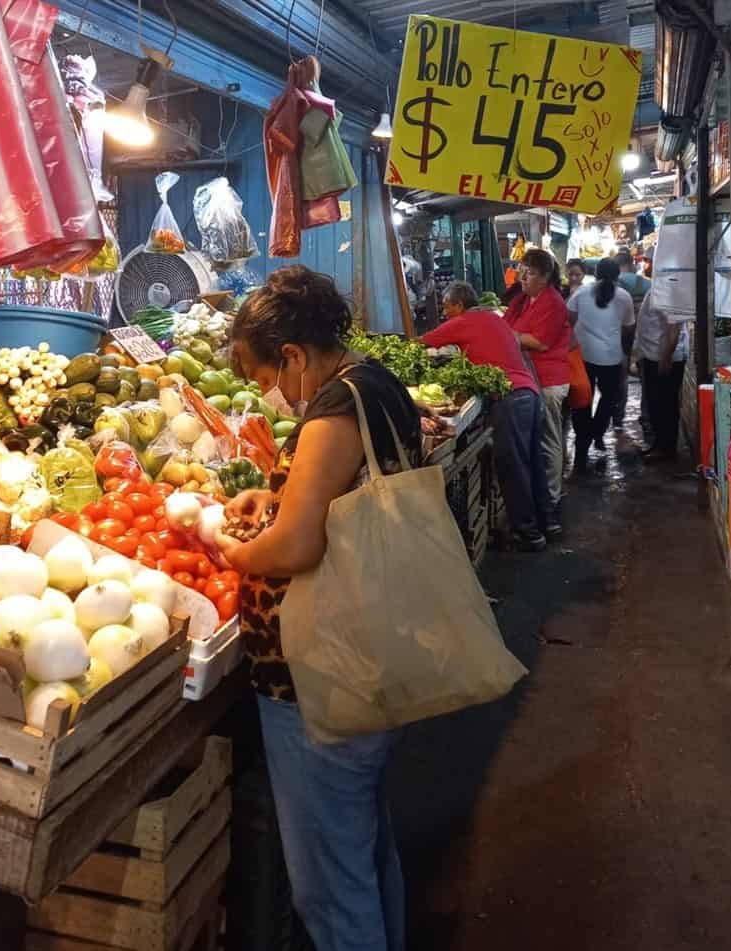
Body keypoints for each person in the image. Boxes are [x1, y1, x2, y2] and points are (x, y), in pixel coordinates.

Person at [215, 266, 420, 951]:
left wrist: (231, 550)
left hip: (320, 674)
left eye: (260, 373)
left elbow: (300, 547)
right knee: (362, 848)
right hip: (370, 651)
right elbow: (341, 503)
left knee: (329, 885)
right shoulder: (374, 384)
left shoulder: (332, 409)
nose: (261, 391)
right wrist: (273, 500)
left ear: (294, 356)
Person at [421, 280, 553, 551]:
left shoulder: (464, 321)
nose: (445, 313)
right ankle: (548, 522)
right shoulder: (495, 319)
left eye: (446, 307)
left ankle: (528, 535)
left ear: (458, 305)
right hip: (530, 393)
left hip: (510, 397)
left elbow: (423, 342)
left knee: (513, 465)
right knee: (533, 462)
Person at [505, 249, 570, 533]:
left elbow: (541, 342)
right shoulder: (524, 300)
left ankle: (552, 499)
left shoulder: (553, 302)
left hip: (549, 380)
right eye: (522, 270)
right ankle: (543, 496)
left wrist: (512, 336)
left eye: (530, 273)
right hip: (529, 379)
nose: (523, 277)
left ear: (545, 277)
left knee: (549, 439)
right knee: (538, 441)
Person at [568, 258, 635, 471]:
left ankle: (581, 449)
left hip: (583, 357)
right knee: (608, 399)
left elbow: (568, 320)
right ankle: (598, 431)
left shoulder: (581, 293)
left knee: (582, 402)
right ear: (617, 277)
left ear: (594, 273)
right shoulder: (624, 297)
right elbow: (628, 328)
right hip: (611, 357)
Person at [634, 289, 689, 461]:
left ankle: (666, 449)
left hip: (662, 358)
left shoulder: (670, 291)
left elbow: (673, 328)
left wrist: (666, 357)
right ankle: (660, 444)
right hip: (655, 355)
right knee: (658, 403)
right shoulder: (659, 288)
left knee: (664, 404)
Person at [614, 249, 650, 429]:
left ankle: (618, 416)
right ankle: (646, 416)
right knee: (647, 380)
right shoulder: (647, 285)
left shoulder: (614, 285)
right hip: (645, 337)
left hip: (620, 335)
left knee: (621, 378)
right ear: (632, 265)